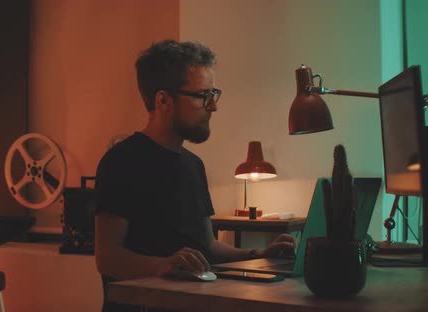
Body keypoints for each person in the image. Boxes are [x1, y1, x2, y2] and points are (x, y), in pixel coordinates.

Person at [94, 39, 295, 311]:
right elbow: (108, 258)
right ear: (163, 100)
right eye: (203, 96)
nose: (213, 107)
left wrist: (258, 254)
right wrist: (162, 265)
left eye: (214, 95)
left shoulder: (194, 165)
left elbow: (208, 247)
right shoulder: (121, 162)